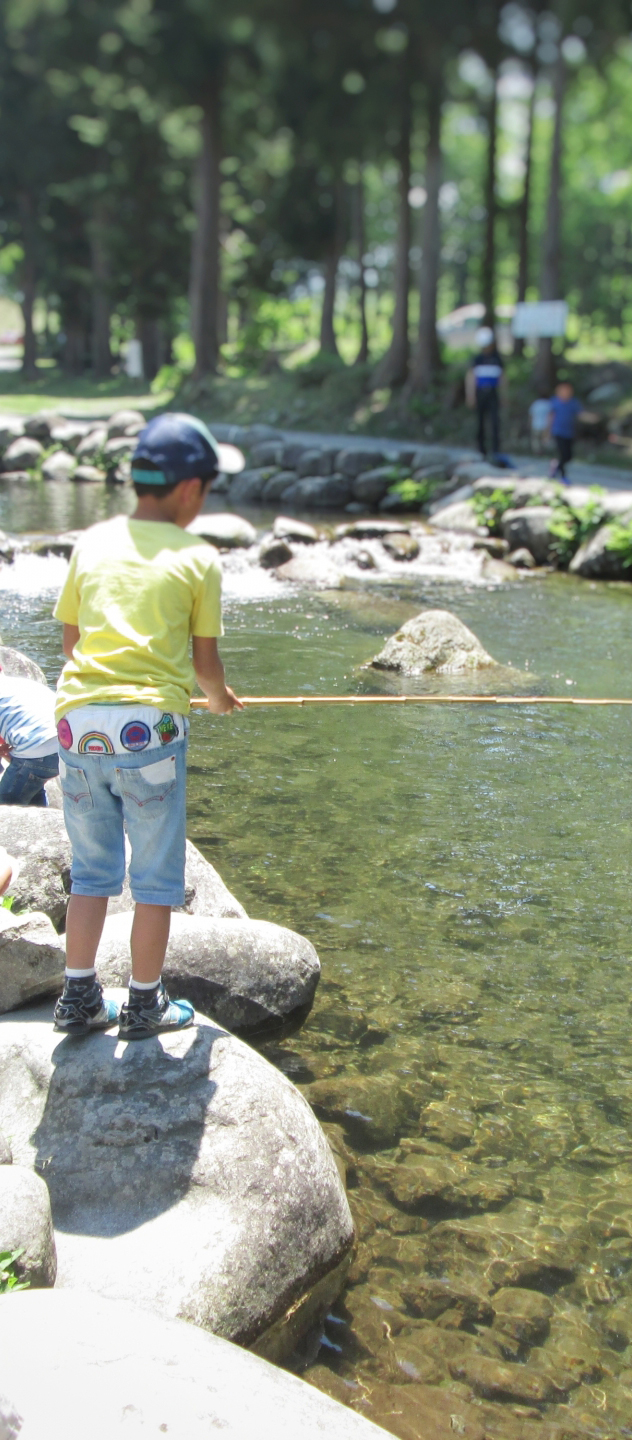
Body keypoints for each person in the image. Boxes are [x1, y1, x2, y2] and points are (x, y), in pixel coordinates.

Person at [52, 412, 242, 1042]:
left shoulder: (93, 542)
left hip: (77, 728)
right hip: (149, 734)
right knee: (156, 877)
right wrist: (217, 700)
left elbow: (71, 643)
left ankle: (78, 997)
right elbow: (205, 666)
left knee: (91, 872)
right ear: (191, 490)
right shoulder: (197, 558)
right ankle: (143, 1003)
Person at [0, 666, 59, 806]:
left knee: (5, 807)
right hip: (71, 745)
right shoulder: (21, 684)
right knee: (29, 783)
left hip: (39, 750)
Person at [466, 326, 504, 459]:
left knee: (495, 422)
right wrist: (470, 396)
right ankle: (481, 449)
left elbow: (502, 378)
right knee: (480, 422)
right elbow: (471, 378)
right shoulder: (477, 359)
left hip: (493, 394)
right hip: (480, 394)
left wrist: (504, 395)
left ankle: (495, 449)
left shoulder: (497, 359)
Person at [547, 381, 583, 481]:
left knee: (568, 456)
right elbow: (550, 417)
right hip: (557, 432)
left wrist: (594, 419)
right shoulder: (554, 402)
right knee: (562, 454)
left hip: (569, 433)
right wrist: (547, 432)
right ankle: (563, 476)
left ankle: (554, 469)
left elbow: (581, 414)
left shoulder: (573, 403)